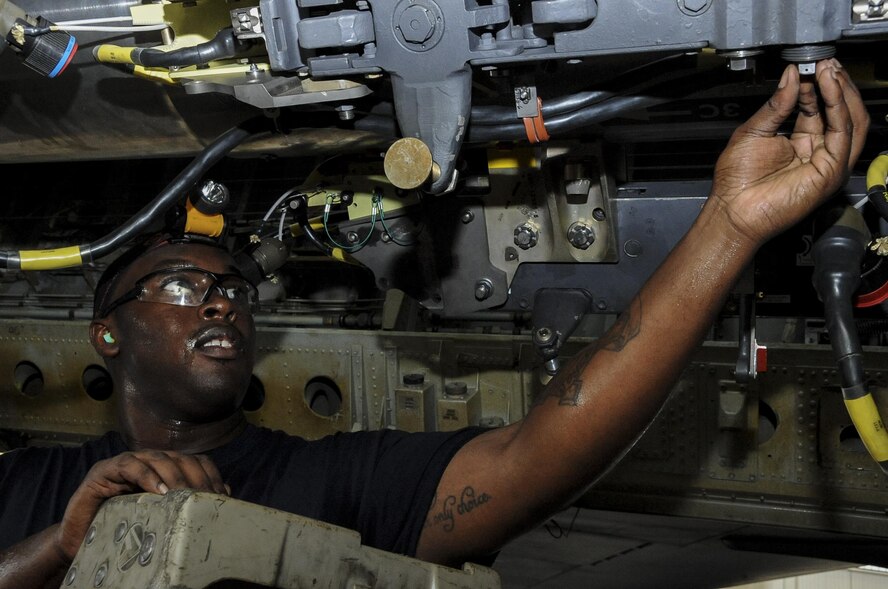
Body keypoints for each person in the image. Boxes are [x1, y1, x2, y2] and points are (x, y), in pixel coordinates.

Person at [0, 59, 870, 587]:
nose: (223, 298)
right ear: (105, 333)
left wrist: (728, 227)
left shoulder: (334, 485)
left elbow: (544, 453)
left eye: (235, 286)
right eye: (185, 284)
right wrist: (57, 547)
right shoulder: (30, 490)